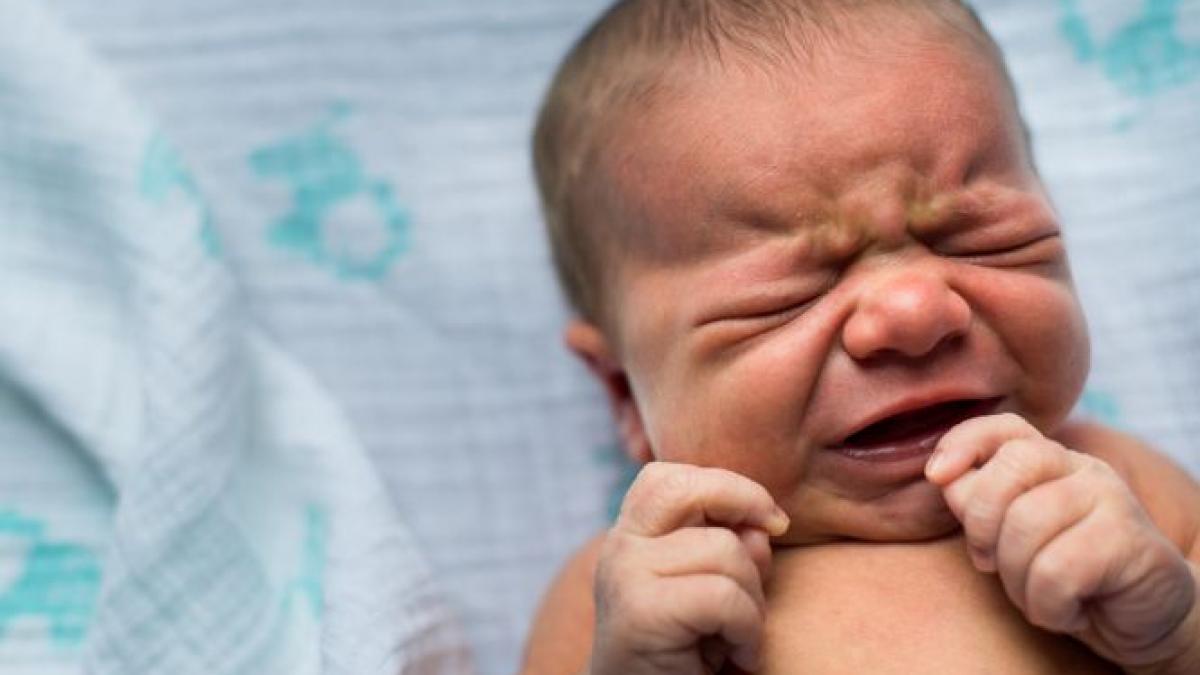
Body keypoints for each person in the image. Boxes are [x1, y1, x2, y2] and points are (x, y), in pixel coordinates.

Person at [521, 1, 1200, 673]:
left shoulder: (1120, 490)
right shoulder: (630, 589)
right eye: (787, 294)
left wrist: (1173, 636)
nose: (914, 312)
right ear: (623, 391)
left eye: (981, 239)